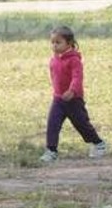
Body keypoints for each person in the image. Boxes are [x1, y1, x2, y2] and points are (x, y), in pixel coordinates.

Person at [40, 25, 107, 163]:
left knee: (82, 124)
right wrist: (58, 92)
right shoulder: (54, 59)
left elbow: (77, 77)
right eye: (52, 42)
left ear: (69, 43)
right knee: (52, 124)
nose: (54, 45)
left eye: (58, 42)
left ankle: (98, 143)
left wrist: (72, 91)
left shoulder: (74, 60)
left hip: (73, 100)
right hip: (58, 99)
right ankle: (51, 150)